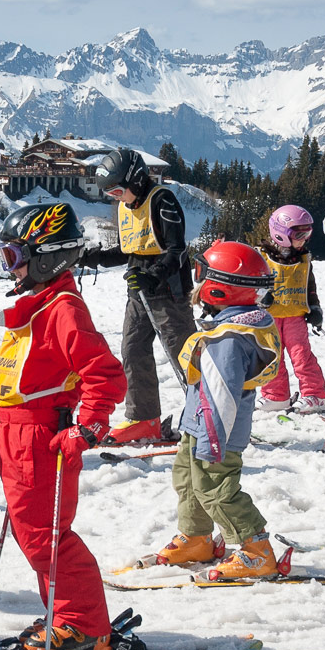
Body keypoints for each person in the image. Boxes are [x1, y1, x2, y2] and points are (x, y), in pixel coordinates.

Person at [0, 200, 127, 650]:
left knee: (46, 536)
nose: (11, 269)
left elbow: (103, 373)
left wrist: (85, 429)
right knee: (33, 535)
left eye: (15, 257)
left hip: (41, 440)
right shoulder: (38, 304)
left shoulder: (63, 308)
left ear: (47, 256)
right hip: (14, 436)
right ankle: (66, 614)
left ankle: (82, 625)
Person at [138, 242, 285, 581]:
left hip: (217, 431)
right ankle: (196, 538)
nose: (196, 282)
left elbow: (222, 397)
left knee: (217, 490)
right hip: (200, 425)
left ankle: (256, 549)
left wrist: (211, 442)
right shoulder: (228, 325)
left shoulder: (229, 340)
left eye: (201, 275)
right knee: (188, 482)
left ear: (220, 287)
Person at [83, 148, 194, 445]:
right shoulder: (124, 207)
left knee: (184, 355)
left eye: (118, 190)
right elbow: (128, 249)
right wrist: (92, 257)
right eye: (110, 193)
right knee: (132, 351)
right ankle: (144, 418)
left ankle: (209, 413)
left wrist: (154, 274)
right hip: (138, 291)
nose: (115, 197)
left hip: (169, 291)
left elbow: (177, 250)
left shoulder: (162, 200)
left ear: (136, 179)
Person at [256, 205, 325, 415]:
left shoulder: (304, 259)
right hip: (269, 318)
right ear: (281, 234)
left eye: (307, 233)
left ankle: (316, 394)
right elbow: (252, 284)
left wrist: (315, 309)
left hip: (295, 316)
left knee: (301, 357)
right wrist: (261, 296)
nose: (304, 239)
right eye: (299, 234)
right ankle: (275, 396)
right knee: (272, 356)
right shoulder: (263, 257)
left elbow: (310, 286)